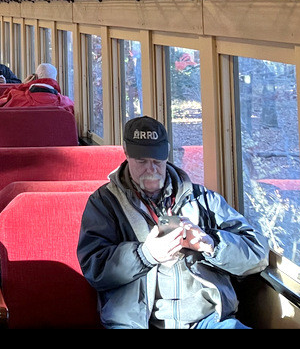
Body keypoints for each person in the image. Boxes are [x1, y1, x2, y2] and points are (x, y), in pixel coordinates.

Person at [77, 116, 268, 329]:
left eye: (157, 162)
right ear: (126, 153)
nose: (151, 169)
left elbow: (257, 253)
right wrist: (146, 255)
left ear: (167, 154)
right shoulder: (104, 203)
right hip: (137, 322)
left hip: (206, 320)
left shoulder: (201, 198)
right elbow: (95, 269)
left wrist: (212, 244)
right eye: (141, 162)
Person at [0, 62, 73, 112]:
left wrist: (22, 85)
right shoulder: (66, 103)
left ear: (34, 77)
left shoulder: (16, 97)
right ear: (55, 80)